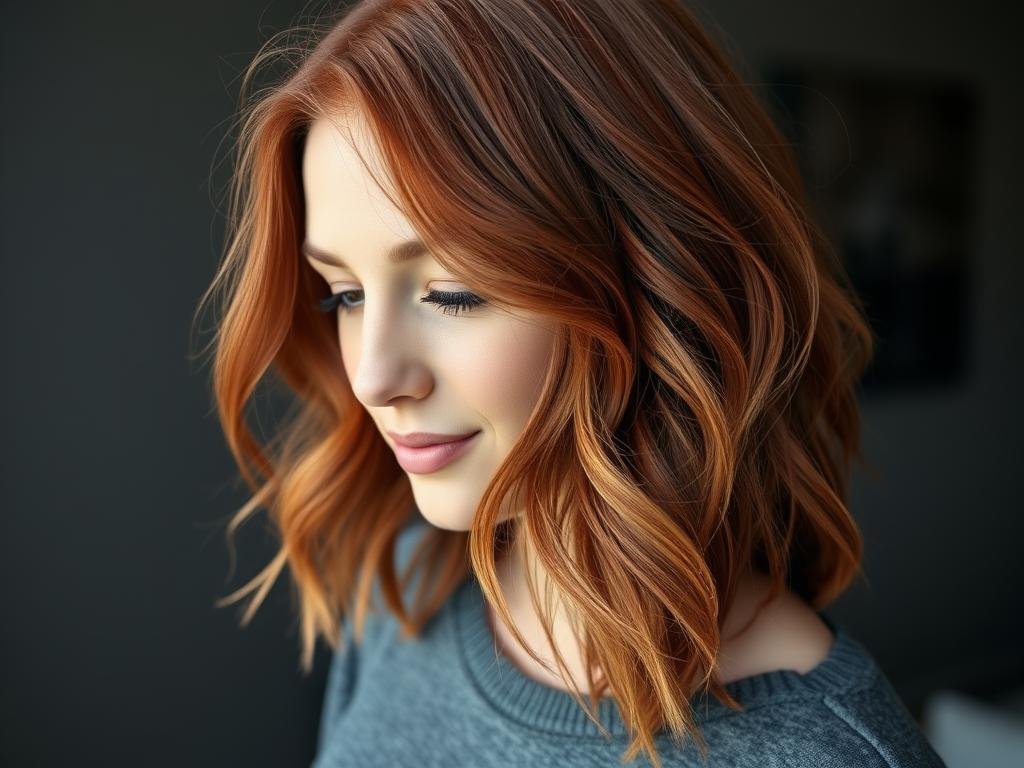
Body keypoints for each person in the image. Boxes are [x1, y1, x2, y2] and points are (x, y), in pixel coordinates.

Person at [195, 1, 947, 766]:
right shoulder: (401, 589)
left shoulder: (832, 753)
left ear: (659, 275)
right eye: (345, 295)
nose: (372, 377)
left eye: (452, 290)